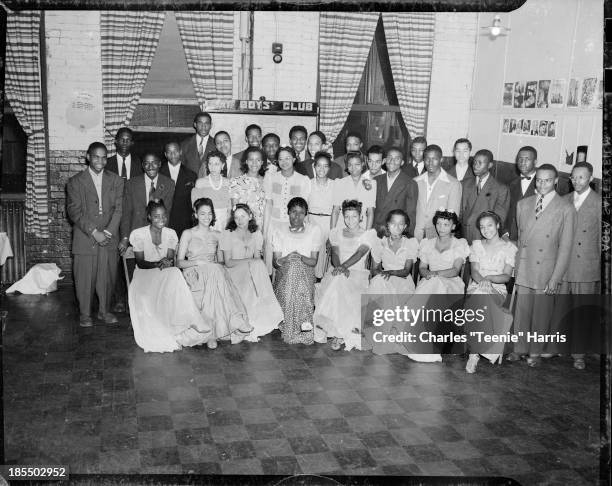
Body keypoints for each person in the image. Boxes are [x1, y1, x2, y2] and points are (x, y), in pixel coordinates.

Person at [128, 200, 212, 352]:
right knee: (172, 273)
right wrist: (157, 264)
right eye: (156, 216)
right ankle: (189, 319)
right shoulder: (138, 234)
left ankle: (192, 319)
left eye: (164, 216)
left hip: (163, 274)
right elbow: (140, 263)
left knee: (174, 272)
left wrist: (165, 263)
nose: (161, 220)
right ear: (149, 217)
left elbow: (169, 258)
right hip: (144, 275)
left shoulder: (171, 234)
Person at [512, 164, 575, 367]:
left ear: (556, 181)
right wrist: (516, 267)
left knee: (541, 314)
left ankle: (535, 353)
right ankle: (519, 348)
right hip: (525, 266)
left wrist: (556, 278)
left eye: (548, 180)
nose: (542, 183)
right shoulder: (523, 204)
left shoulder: (565, 208)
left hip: (546, 271)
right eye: (539, 179)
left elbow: (566, 248)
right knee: (522, 312)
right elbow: (521, 240)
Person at [177, 198, 253, 349]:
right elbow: (179, 262)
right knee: (214, 271)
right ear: (196, 215)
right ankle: (215, 332)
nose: (206, 217)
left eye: (209, 213)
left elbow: (221, 261)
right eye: (202, 214)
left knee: (216, 270)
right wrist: (198, 263)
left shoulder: (218, 235)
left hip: (212, 272)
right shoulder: (188, 233)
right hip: (193, 272)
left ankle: (215, 332)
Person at [67, 142, 124, 327]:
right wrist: (94, 232)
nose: (100, 160)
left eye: (104, 157)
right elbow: (74, 211)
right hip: (85, 238)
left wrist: (107, 232)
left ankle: (104, 311)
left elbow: (118, 209)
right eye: (96, 157)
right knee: (84, 277)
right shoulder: (75, 181)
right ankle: (85, 313)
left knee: (107, 277)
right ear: (88, 157)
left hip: (109, 237)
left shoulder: (116, 180)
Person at [314, 200, 378, 351]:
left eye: (354, 216)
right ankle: (333, 329)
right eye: (347, 217)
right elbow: (335, 254)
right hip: (338, 271)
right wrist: (339, 267)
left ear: (361, 216)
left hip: (357, 274)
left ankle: (338, 333)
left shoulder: (368, 234)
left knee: (340, 282)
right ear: (343, 217)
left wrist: (344, 267)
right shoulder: (336, 232)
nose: (350, 220)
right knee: (338, 280)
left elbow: (360, 253)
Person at [558, 162, 601, 370]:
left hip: (585, 266)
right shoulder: (564, 200)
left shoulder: (600, 203)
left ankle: (578, 354)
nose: (576, 181)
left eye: (581, 177)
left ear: (590, 179)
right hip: (564, 265)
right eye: (573, 177)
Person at [220, 204, 283, 341]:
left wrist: (252, 262)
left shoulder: (256, 234)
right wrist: (249, 261)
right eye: (236, 217)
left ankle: (268, 313)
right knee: (256, 265)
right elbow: (228, 262)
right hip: (233, 272)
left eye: (243, 216)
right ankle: (249, 318)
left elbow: (256, 258)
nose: (239, 220)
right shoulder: (228, 234)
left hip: (250, 270)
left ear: (250, 216)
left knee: (259, 265)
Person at [464, 211, 517, 373]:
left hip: (497, 289)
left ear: (498, 225)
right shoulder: (476, 246)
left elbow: (506, 276)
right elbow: (474, 272)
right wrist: (483, 282)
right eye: (482, 227)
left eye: (490, 225)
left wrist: (490, 279)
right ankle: (475, 353)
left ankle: (474, 354)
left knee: (482, 300)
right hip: (477, 286)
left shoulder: (509, 248)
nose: (486, 230)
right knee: (480, 296)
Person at [119, 153, 175, 294]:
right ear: (142, 165)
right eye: (146, 163)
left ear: (160, 164)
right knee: (138, 278)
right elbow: (126, 213)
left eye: (154, 162)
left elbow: (165, 213)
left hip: (158, 236)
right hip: (137, 234)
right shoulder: (131, 184)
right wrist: (125, 238)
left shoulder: (168, 183)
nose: (150, 166)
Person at [365, 209, 418, 356]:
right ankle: (378, 333)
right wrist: (383, 273)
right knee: (377, 282)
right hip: (385, 280)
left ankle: (393, 334)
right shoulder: (380, 243)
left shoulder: (410, 243)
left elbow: (406, 270)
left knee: (389, 289)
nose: (397, 227)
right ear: (388, 225)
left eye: (401, 224)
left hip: (403, 282)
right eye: (394, 223)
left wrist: (390, 273)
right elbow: (374, 269)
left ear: (406, 226)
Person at [272, 197, 321, 345]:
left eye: (301, 213)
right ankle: (301, 328)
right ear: (288, 212)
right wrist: (287, 258)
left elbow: (313, 261)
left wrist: (300, 257)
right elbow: (276, 263)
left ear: (306, 214)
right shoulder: (279, 230)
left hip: (306, 273)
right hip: (284, 275)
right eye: (293, 212)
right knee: (293, 268)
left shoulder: (314, 230)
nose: (297, 216)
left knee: (297, 268)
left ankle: (294, 328)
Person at [263, 146, 311, 273]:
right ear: (277, 161)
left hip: (293, 225)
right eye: (281, 159)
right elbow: (268, 204)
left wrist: (304, 228)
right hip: (274, 224)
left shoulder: (303, 180)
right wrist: (265, 229)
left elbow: (304, 207)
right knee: (271, 261)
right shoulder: (271, 178)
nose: (284, 162)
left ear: (294, 159)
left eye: (288, 158)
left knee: (291, 258)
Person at [460, 149, 510, 244]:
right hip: (464, 238)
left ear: (490, 165)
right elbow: (460, 213)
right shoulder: (464, 184)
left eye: (480, 163)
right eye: (474, 162)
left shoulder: (501, 189)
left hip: (485, 239)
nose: (475, 165)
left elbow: (499, 219)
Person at [414, 145, 462, 240]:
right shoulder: (416, 181)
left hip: (438, 236)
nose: (430, 163)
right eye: (427, 159)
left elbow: (453, 217)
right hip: (416, 235)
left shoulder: (453, 184)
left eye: (434, 159)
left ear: (441, 159)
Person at [416, 209, 469, 295]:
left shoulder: (458, 244)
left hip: (450, 282)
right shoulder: (427, 244)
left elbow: (455, 270)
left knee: (438, 286)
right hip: (429, 281)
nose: (441, 228)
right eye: (438, 224)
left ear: (453, 226)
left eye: (446, 225)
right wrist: (429, 274)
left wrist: (436, 274)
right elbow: (422, 268)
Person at [373, 146, 418, 237]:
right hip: (375, 230)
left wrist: (408, 235)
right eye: (389, 158)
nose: (392, 161)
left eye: (397, 159)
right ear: (385, 160)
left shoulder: (410, 183)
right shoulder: (376, 180)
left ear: (402, 162)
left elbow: (411, 214)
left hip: (396, 232)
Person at [307, 151, 336, 279]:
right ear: (314, 166)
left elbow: (336, 210)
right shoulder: (308, 183)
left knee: (325, 256)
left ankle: (321, 284)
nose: (321, 169)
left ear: (329, 168)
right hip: (311, 221)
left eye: (325, 166)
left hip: (328, 222)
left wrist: (333, 232)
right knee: (311, 253)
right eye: (319, 165)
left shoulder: (335, 185)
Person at [159, 142, 197, 238]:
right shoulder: (158, 173)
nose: (173, 155)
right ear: (165, 154)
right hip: (163, 222)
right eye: (169, 152)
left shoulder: (191, 175)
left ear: (180, 152)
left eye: (175, 151)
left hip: (184, 223)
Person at [330, 151, 375, 229]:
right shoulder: (339, 182)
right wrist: (333, 232)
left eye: (357, 164)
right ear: (347, 166)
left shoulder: (371, 183)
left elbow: (370, 212)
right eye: (350, 165)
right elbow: (335, 210)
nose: (353, 168)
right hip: (342, 226)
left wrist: (367, 234)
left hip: (362, 227)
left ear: (363, 164)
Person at [191, 151, 231, 232]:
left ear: (222, 165)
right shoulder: (200, 183)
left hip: (224, 221)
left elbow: (230, 207)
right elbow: (196, 206)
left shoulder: (228, 183)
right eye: (210, 164)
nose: (213, 167)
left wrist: (228, 223)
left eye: (216, 164)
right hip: (206, 221)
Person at [229, 147, 267, 229]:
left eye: (258, 160)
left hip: (263, 227)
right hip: (244, 228)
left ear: (262, 162)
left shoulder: (267, 182)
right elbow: (235, 210)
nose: (254, 163)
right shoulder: (236, 182)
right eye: (251, 159)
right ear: (246, 161)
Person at [505, 146, 537, 241]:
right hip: (511, 237)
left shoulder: (543, 184)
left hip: (532, 238)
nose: (523, 162)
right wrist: (505, 232)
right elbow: (506, 210)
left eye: (527, 159)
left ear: (535, 162)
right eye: (520, 159)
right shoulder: (511, 184)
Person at [180, 111, 216, 176]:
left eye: (206, 123)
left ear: (211, 125)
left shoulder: (216, 144)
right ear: (195, 125)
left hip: (209, 184)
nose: (203, 127)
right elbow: (181, 168)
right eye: (200, 123)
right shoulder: (185, 144)